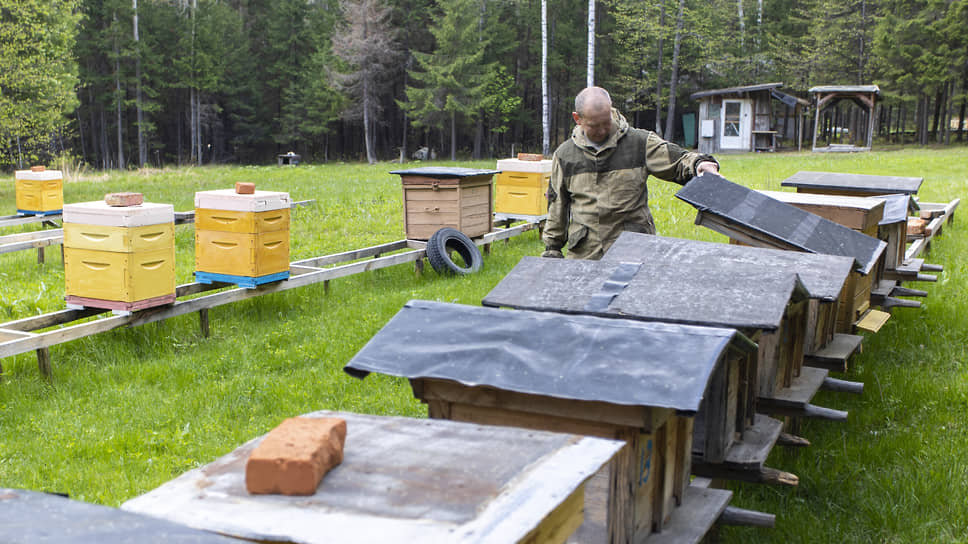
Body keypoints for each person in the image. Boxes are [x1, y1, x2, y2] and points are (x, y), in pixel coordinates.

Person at [541, 86, 720, 260]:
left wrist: (700, 164)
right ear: (577, 118)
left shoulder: (639, 142)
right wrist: (552, 249)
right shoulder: (565, 155)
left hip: (635, 251)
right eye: (595, 126)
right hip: (585, 254)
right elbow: (558, 205)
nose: (603, 130)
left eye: (606, 122)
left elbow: (679, 160)